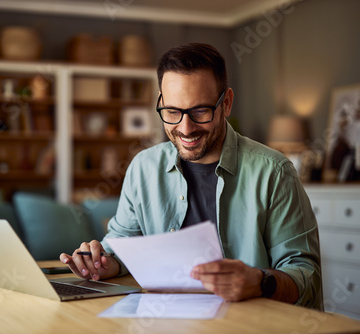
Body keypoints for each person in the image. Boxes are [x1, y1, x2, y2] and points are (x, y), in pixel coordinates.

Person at [60, 43, 322, 309]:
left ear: (227, 103)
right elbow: (122, 243)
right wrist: (103, 263)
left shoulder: (274, 172)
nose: (185, 129)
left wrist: (260, 281)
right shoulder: (143, 167)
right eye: (172, 112)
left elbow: (306, 277)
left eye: (200, 111)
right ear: (160, 102)